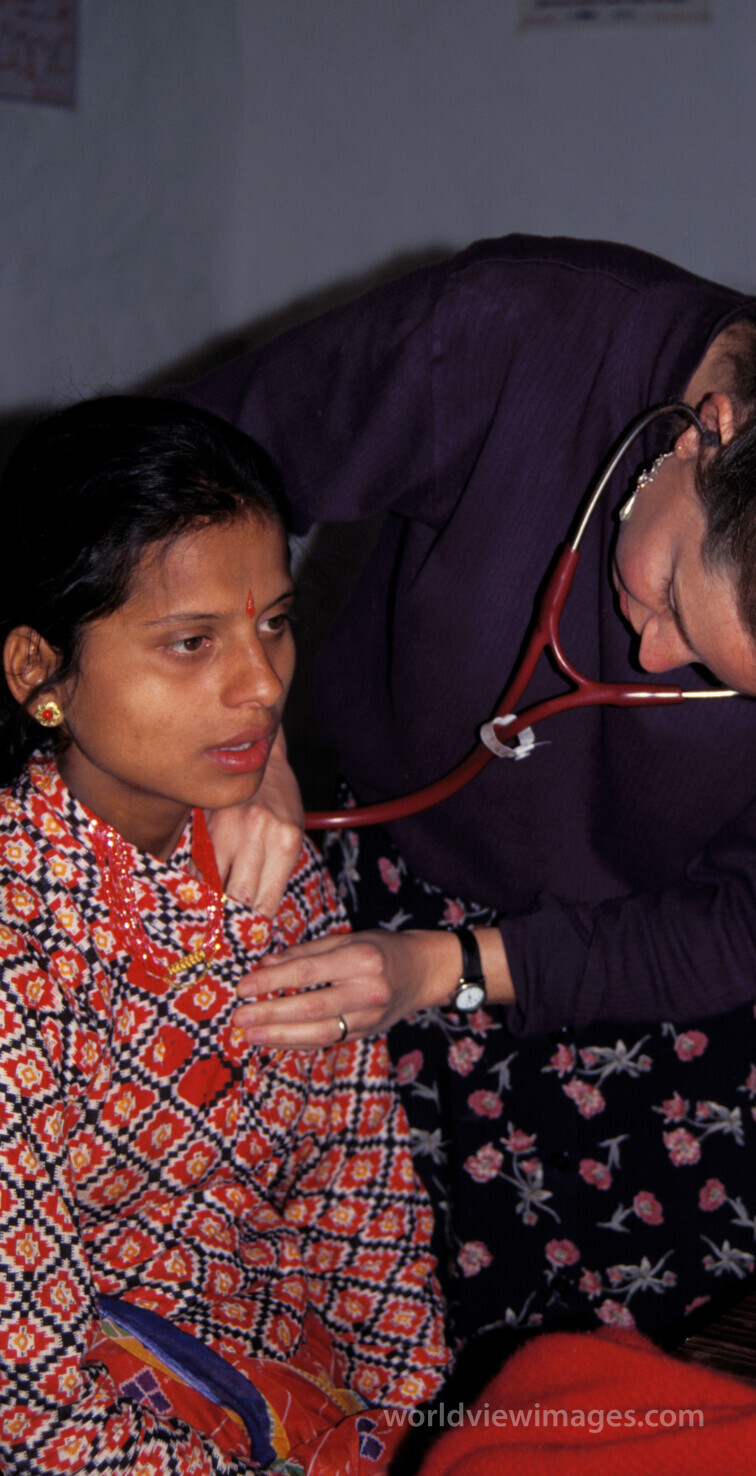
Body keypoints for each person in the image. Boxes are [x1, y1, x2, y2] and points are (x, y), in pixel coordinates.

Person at [177, 234, 756, 1345]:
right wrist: (239, 727)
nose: (655, 657)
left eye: (720, 675)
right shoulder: (514, 334)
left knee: (676, 1400)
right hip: (374, 932)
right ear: (707, 434)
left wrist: (449, 969)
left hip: (666, 980)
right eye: (672, 597)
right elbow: (193, 472)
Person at [0, 397, 450, 1474]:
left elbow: (361, 1194)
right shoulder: (20, 941)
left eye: (275, 623)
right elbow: (35, 1411)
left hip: (298, 1403)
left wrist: (412, 1432)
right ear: (38, 674)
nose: (261, 686)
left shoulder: (267, 871)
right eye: (192, 642)